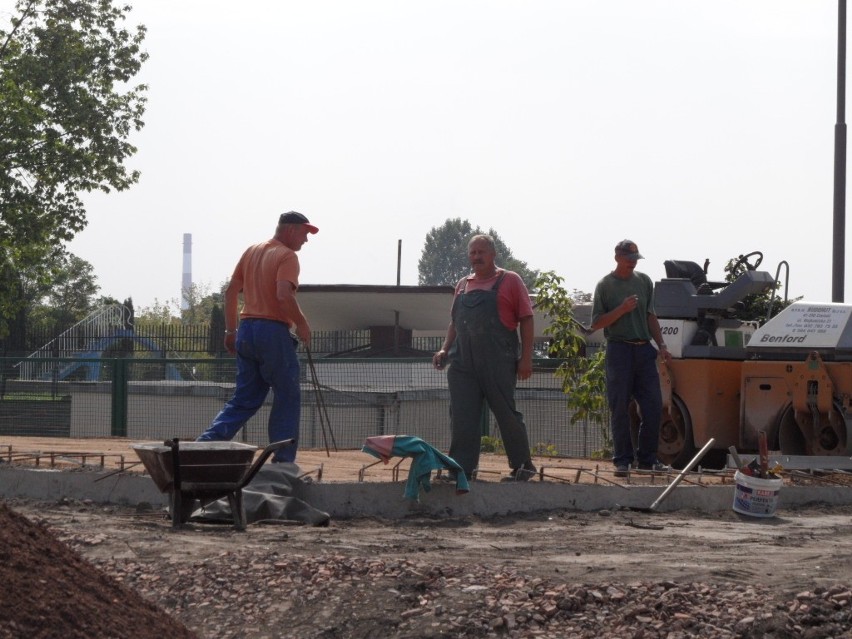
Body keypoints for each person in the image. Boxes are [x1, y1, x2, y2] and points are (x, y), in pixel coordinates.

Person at [196, 211, 318, 463]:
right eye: (305, 233)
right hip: (272, 332)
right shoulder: (287, 256)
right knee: (287, 395)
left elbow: (231, 293)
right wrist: (302, 324)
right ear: (291, 230)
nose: (306, 240)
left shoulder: (251, 251)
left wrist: (231, 331)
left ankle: (204, 447)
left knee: (244, 399)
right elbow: (284, 295)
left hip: (247, 330)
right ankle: (282, 461)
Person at [432, 234, 537, 482]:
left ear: (493, 254)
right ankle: (462, 469)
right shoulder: (462, 285)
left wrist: (526, 359)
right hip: (461, 363)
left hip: (498, 359)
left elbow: (527, 318)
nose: (477, 257)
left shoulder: (510, 280)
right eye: (473, 253)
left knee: (506, 413)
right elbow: (455, 322)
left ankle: (523, 466)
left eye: (482, 252)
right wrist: (444, 349)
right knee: (462, 414)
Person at [588, 239, 672, 477]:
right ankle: (622, 460)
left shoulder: (644, 282)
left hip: (644, 350)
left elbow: (650, 316)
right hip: (619, 350)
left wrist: (662, 345)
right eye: (629, 259)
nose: (633, 263)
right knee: (620, 408)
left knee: (653, 406)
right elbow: (596, 323)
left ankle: (648, 459)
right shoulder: (605, 285)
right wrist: (621, 310)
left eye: (635, 259)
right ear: (617, 257)